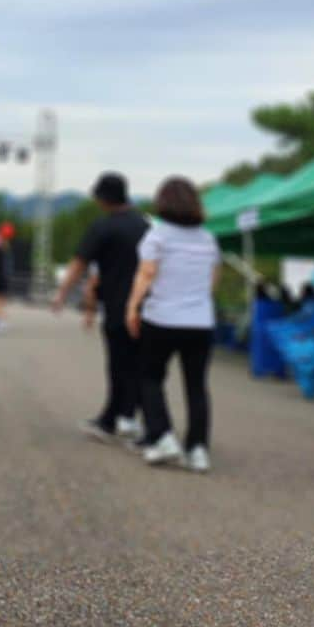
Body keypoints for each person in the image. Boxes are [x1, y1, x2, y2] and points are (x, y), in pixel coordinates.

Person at [125, 176, 220, 472]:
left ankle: (162, 436)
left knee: (150, 377)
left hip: (162, 318)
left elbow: (146, 274)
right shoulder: (208, 239)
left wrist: (132, 307)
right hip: (200, 321)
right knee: (196, 386)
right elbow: (213, 280)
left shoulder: (157, 236)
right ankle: (198, 449)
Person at [52, 173, 148, 441]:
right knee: (139, 364)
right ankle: (130, 416)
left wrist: (62, 293)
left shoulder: (103, 227)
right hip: (147, 305)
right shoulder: (146, 224)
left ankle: (112, 420)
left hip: (118, 304)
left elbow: (80, 263)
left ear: (102, 198)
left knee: (118, 364)